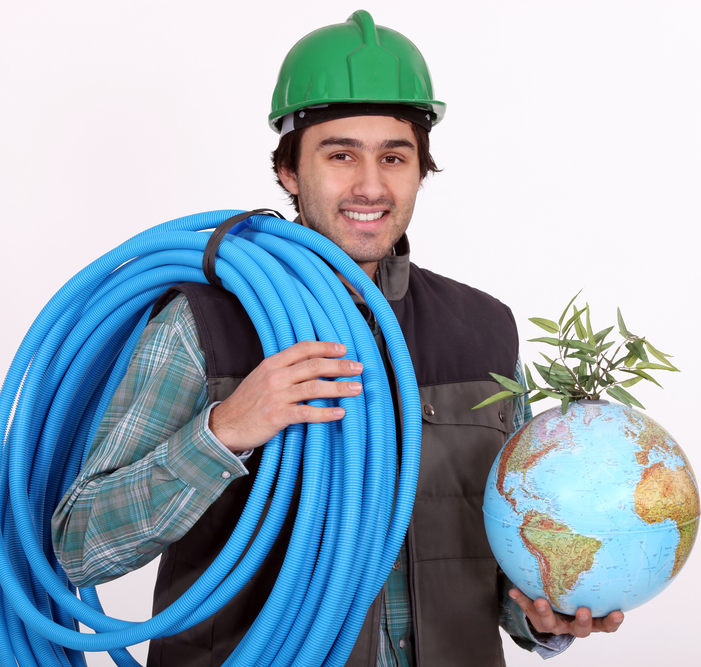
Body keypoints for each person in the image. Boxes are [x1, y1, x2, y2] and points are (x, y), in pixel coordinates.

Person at [52, 10, 624, 666]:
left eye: (394, 156)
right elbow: (80, 542)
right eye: (340, 154)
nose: (371, 185)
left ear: (419, 171)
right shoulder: (203, 326)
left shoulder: (483, 334)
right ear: (289, 171)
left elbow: (496, 570)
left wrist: (542, 613)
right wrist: (223, 430)